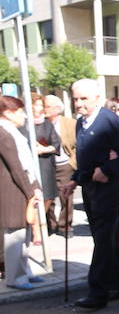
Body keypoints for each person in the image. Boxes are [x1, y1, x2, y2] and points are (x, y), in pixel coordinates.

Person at [59, 80, 119, 310]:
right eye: (76, 99)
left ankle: (97, 292)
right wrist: (74, 180)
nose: (79, 103)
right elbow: (86, 157)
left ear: (97, 98)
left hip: (109, 186)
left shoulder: (109, 121)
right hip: (91, 186)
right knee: (108, 236)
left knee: (102, 238)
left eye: (84, 99)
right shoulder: (81, 122)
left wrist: (107, 169)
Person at [0, 96, 42, 290]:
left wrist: (34, 187)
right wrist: (30, 191)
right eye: (20, 111)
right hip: (12, 190)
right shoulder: (4, 134)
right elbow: (16, 167)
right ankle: (15, 278)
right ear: (8, 113)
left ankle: (25, 272)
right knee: (15, 235)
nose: (25, 115)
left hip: (21, 188)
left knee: (24, 233)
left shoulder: (12, 132)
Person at [43, 95, 77, 237]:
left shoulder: (70, 123)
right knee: (48, 196)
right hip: (47, 164)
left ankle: (65, 226)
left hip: (65, 165)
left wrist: (72, 163)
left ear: (57, 108)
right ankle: (51, 224)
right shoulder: (41, 123)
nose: (45, 109)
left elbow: (78, 146)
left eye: (47, 106)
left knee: (66, 197)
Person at [27, 93, 61, 234]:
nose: (40, 108)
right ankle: (34, 228)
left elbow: (56, 143)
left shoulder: (47, 124)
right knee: (34, 196)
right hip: (31, 164)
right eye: (37, 104)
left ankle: (40, 223)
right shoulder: (25, 123)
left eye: (42, 105)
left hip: (46, 164)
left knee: (48, 196)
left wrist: (44, 149)